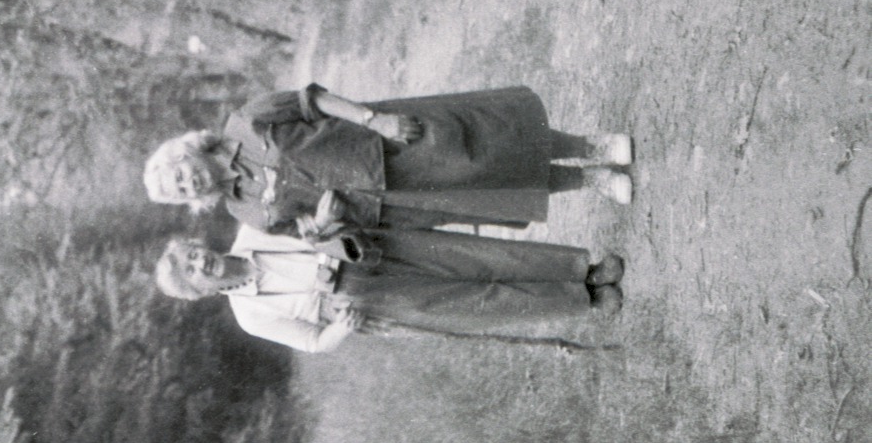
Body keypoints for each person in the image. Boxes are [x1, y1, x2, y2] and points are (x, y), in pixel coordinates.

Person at [144, 83, 633, 234]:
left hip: (382, 145)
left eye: (180, 175)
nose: (188, 184)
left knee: (488, 142)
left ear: (185, 153)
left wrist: (374, 119)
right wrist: (320, 221)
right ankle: (591, 182)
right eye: (181, 192)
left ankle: (591, 147)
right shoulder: (244, 211)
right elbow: (304, 232)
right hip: (386, 202)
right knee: (484, 185)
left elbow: (311, 100)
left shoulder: (245, 122)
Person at [153, 216, 625, 353]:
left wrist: (324, 235)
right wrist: (342, 324)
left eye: (193, 254)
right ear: (199, 292)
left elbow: (310, 221)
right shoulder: (251, 315)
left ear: (199, 244)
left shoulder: (253, 231)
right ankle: (585, 298)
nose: (202, 263)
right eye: (192, 271)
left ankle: (585, 267)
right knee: (478, 302)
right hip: (368, 301)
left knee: (476, 257)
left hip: (370, 249)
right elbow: (314, 341)